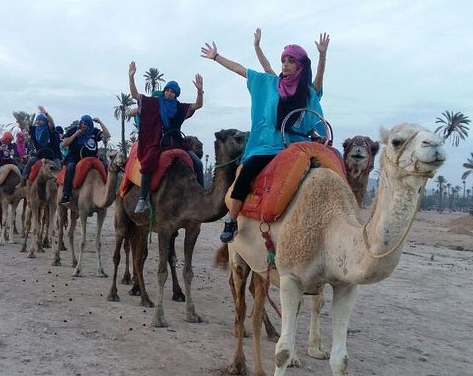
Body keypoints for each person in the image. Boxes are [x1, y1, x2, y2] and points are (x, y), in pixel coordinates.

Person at [200, 30, 330, 242]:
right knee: (247, 172)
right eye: (283, 60)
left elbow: (316, 95)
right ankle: (231, 220)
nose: (285, 64)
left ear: (300, 66)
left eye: (290, 61)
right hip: (269, 145)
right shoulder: (270, 84)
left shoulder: (307, 92)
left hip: (297, 146)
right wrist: (216, 57)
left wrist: (323, 57)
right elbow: (240, 70)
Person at [128, 62, 204, 213]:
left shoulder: (180, 107)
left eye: (172, 92)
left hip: (176, 142)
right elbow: (135, 95)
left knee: (197, 163)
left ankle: (201, 196)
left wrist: (200, 92)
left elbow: (198, 105)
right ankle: (143, 198)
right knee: (149, 161)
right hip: (158, 142)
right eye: (167, 90)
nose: (169, 93)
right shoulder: (154, 103)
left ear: (176, 94)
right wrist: (131, 77)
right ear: (164, 91)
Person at [58, 115, 111, 205]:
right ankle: (66, 195)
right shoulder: (74, 130)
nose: (83, 125)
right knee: (70, 167)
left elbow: (107, 135)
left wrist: (100, 122)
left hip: (92, 158)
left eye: (85, 124)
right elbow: (64, 144)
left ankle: (106, 191)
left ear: (89, 125)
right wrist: (75, 135)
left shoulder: (94, 131)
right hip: (75, 157)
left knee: (106, 166)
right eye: (81, 123)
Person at [20, 106, 62, 184]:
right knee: (30, 162)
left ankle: (60, 187)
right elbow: (24, 126)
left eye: (40, 120)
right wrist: (20, 119)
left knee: (58, 167)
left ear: (45, 121)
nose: (38, 122)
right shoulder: (34, 130)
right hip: (40, 155)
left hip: (53, 156)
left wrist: (45, 112)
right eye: (37, 120)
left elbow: (51, 122)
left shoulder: (50, 129)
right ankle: (23, 180)